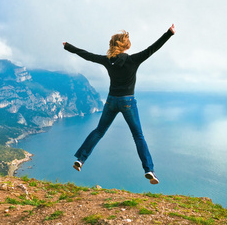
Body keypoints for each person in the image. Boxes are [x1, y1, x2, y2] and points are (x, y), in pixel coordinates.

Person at [63, 24, 176, 184]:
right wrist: (169, 33)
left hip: (111, 101)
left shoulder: (108, 61)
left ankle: (81, 159)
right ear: (126, 45)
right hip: (127, 102)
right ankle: (149, 170)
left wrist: (68, 47)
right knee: (138, 136)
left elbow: (87, 55)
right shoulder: (133, 60)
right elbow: (153, 48)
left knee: (99, 131)